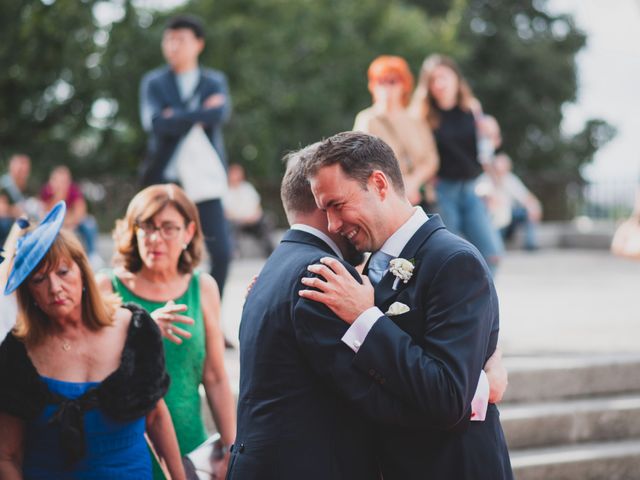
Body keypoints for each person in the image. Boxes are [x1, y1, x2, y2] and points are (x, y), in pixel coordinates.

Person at [228, 143, 508, 479]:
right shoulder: (363, 268)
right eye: (324, 210)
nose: (331, 224)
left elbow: (447, 397)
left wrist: (367, 319)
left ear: (378, 184)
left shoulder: (453, 261)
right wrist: (480, 389)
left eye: (337, 205)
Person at [0, 202, 185, 479]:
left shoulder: (135, 329)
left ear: (83, 273)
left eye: (63, 272)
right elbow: (7, 455)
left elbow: (156, 416)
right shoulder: (17, 352)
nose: (54, 288)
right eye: (39, 279)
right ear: (29, 294)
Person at [96, 184, 236, 479]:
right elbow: (92, 371)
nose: (155, 238)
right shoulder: (107, 288)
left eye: (168, 228)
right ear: (133, 231)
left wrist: (233, 449)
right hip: (128, 449)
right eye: (147, 226)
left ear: (188, 233)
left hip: (191, 449)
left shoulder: (203, 287)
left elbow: (215, 376)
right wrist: (143, 331)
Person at [139, 14, 233, 297]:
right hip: (167, 180)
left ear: (198, 44)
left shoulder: (213, 80)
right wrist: (198, 114)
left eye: (180, 39)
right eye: (168, 39)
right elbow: (155, 123)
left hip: (206, 180)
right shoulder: (154, 82)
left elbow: (219, 114)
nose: (173, 46)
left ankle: (209, 315)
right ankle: (170, 311)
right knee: (168, 253)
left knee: (223, 253)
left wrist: (175, 115)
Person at [410, 54, 503, 274]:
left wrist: (495, 186)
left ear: (456, 79)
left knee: (492, 252)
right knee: (450, 256)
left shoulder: (472, 108)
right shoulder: (423, 116)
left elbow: (486, 150)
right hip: (443, 191)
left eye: (444, 77)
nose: (439, 84)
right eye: (433, 80)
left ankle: (481, 304)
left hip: (472, 189)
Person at [354, 55, 439, 207]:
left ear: (404, 85)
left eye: (392, 81)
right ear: (373, 86)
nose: (387, 87)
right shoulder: (367, 120)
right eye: (381, 81)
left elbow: (431, 158)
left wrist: (413, 183)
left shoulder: (416, 119)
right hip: (387, 201)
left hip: (421, 196)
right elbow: (363, 162)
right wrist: (399, 188)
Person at [40, 166, 102, 267]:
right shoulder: (47, 191)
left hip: (72, 222)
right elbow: (46, 213)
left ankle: (92, 254)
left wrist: (69, 221)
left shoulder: (73, 189)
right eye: (59, 181)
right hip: (55, 224)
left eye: (65, 181)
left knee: (89, 222)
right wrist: (58, 196)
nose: (62, 184)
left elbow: (80, 211)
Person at [477, 153, 542, 250]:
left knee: (529, 211)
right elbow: (480, 198)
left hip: (511, 213)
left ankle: (530, 244)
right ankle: (496, 245)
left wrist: (534, 207)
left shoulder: (511, 179)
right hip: (492, 215)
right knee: (497, 217)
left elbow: (525, 197)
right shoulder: (484, 179)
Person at [223, 163, 275, 257]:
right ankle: (234, 253)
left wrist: (254, 216)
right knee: (231, 227)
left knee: (266, 221)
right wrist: (240, 218)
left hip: (252, 220)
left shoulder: (247, 188)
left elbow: (257, 207)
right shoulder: (224, 190)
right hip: (236, 222)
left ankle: (271, 252)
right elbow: (225, 212)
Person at [0, 154, 31, 244]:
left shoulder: (27, 187)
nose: (21, 172)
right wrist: (15, 211)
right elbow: (2, 210)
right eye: (19, 169)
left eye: (24, 170)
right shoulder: (5, 185)